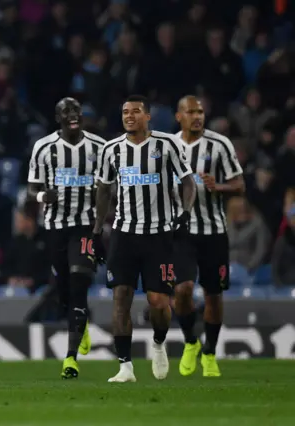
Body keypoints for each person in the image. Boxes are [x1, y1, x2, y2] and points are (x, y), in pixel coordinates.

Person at [93, 95, 196, 383]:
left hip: (159, 235)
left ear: (147, 116)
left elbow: (188, 182)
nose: (129, 116)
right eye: (125, 111)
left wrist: (185, 213)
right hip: (124, 235)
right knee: (121, 298)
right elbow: (103, 190)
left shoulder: (166, 145)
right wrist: (97, 229)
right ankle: (125, 367)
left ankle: (159, 343)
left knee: (159, 302)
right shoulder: (111, 149)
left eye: (136, 111)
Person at [27, 97, 106, 379]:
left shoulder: (99, 147)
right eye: (66, 111)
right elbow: (31, 187)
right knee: (63, 288)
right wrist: (41, 196)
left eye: (76, 110)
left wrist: (101, 228)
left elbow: (109, 188)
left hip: (85, 226)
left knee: (79, 278)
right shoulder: (44, 147)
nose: (73, 115)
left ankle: (70, 358)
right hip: (55, 228)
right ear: (58, 117)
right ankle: (80, 324)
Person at [172, 96, 245, 378]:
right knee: (182, 290)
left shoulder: (220, 144)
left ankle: (210, 353)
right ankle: (191, 341)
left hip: (214, 233)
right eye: (191, 112)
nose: (197, 116)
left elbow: (240, 186)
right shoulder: (169, 146)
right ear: (179, 116)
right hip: (182, 233)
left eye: (200, 111)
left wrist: (220, 187)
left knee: (213, 296)